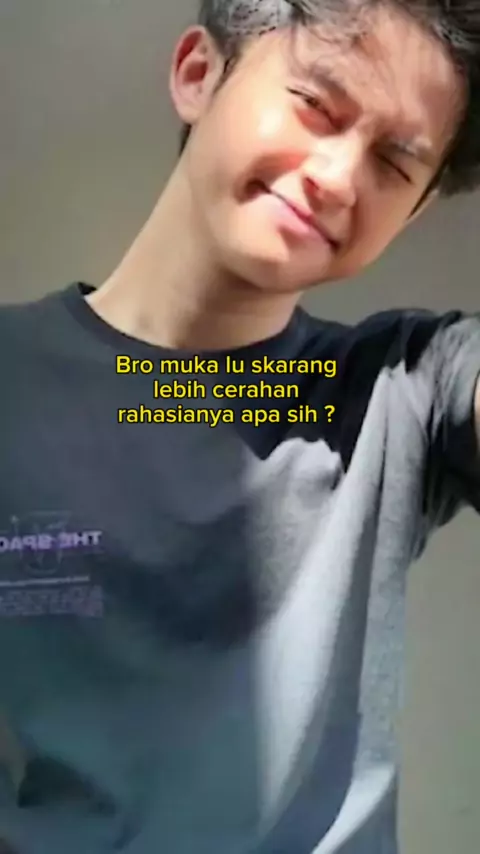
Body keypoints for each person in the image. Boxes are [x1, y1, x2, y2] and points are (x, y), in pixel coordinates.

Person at [0, 0, 479, 852]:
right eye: (316, 104)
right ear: (199, 74)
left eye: (393, 163)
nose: (338, 176)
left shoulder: (405, 388)